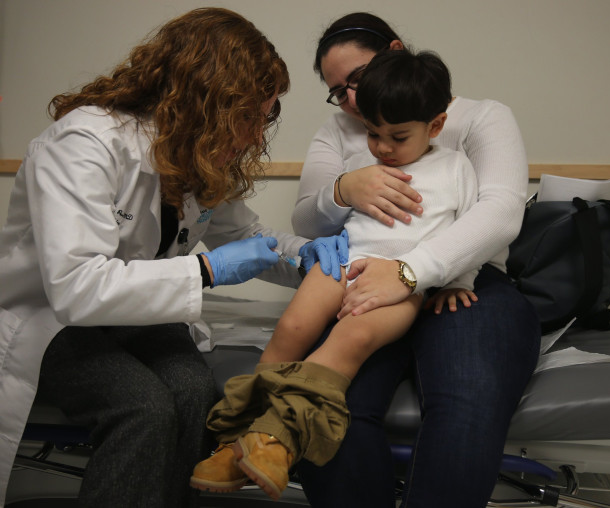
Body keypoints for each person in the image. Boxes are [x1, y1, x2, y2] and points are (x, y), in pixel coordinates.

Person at [0, 8, 348, 508]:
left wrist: (310, 258)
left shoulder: (195, 150)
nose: (255, 135)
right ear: (203, 97)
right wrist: (207, 270)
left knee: (193, 394)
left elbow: (247, 237)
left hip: (134, 316)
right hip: (53, 319)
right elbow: (77, 288)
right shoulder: (84, 145)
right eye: (248, 115)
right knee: (143, 408)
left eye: (265, 116)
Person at [189, 48, 480, 501]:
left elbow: (476, 232)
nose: (382, 147)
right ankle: (240, 438)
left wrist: (461, 281)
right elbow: (316, 220)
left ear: (436, 126)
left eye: (397, 137)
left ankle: (273, 440)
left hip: (400, 285)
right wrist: (341, 193)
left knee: (346, 343)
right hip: (342, 261)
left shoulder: (456, 168)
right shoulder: (365, 165)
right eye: (372, 133)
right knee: (292, 327)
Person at [289, 13, 543, 508]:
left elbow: (500, 211)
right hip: (364, 274)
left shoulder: (481, 117)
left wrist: (411, 273)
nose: (354, 101)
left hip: (465, 283)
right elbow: (306, 223)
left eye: (357, 79)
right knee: (330, 401)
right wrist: (342, 190)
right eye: (340, 92)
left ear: (395, 50)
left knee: (466, 404)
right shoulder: (340, 133)